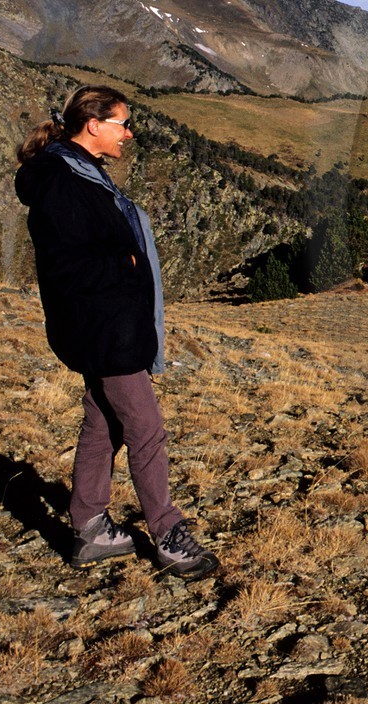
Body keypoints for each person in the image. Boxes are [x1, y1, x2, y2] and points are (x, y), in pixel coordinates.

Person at [15, 86, 218, 579]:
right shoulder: (64, 180)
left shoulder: (78, 170)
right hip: (104, 328)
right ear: (93, 125)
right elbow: (65, 263)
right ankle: (168, 536)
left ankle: (89, 529)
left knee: (102, 423)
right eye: (122, 124)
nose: (128, 134)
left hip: (105, 324)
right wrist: (124, 263)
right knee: (146, 429)